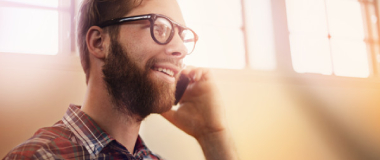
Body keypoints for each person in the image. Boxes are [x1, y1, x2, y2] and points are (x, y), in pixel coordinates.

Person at [3, 0, 238, 159]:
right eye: (161, 27)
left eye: (182, 35)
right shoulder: (39, 156)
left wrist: (213, 136)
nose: (181, 49)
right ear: (99, 42)